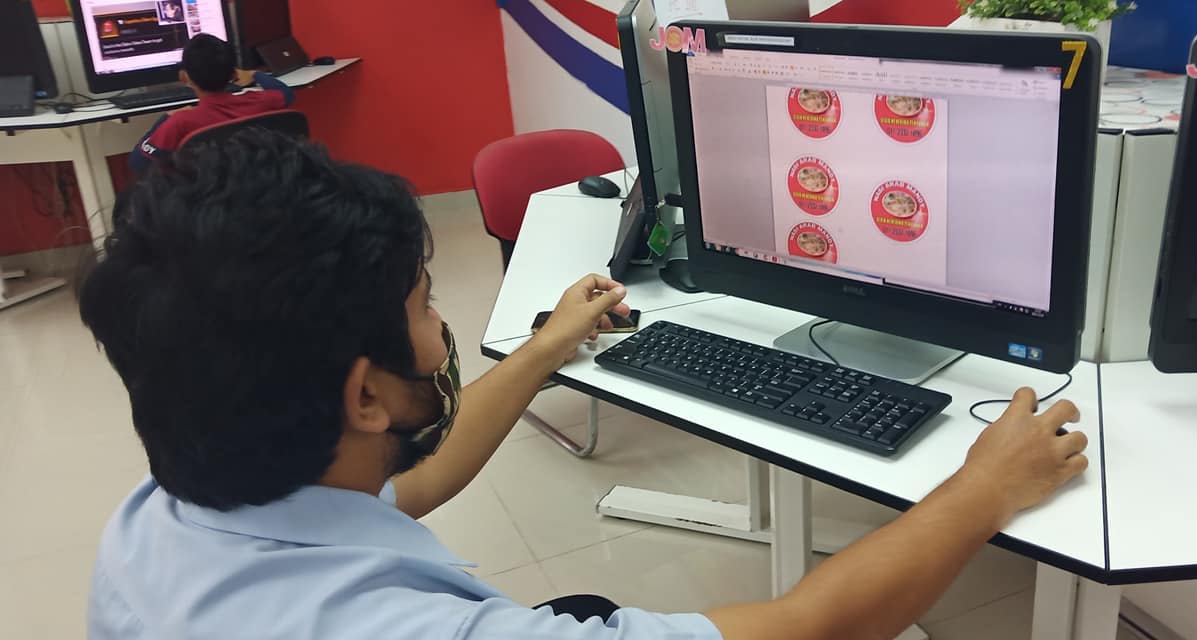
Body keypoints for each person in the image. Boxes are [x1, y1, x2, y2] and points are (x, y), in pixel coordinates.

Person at [81, 130, 1089, 639]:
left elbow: (411, 482)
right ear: (365, 397)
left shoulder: (164, 517)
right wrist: (983, 488)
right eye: (426, 303)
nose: (438, 325)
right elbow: (810, 629)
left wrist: (545, 347)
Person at [129, 34, 295, 175]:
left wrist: (165, 118)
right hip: (258, 189)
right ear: (234, 74)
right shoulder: (258, 101)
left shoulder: (179, 122)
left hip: (209, 198)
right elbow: (286, 93)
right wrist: (254, 74)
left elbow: (138, 163)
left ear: (184, 77)